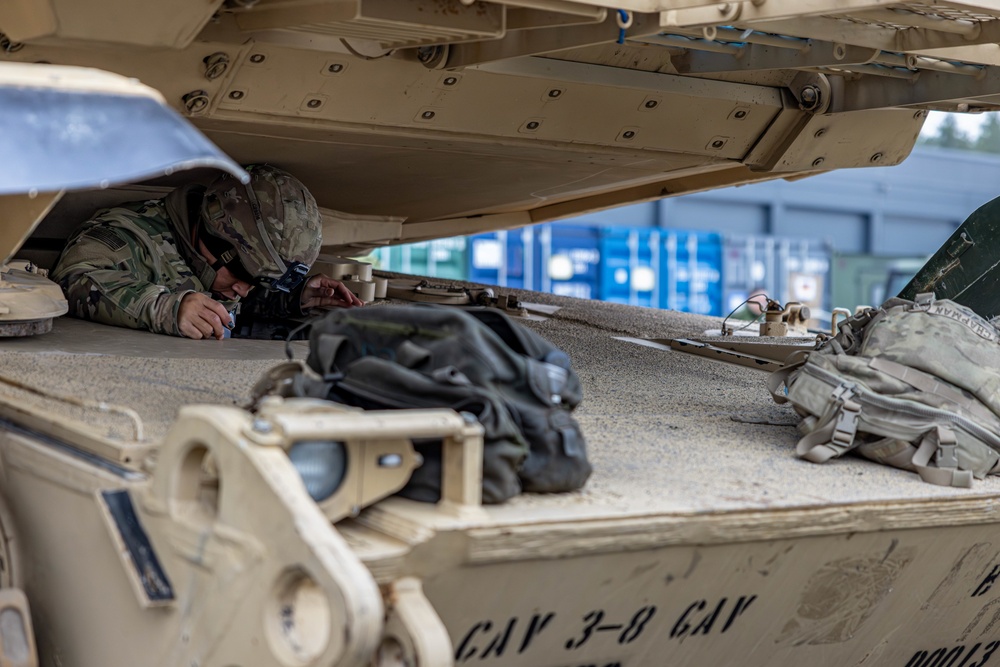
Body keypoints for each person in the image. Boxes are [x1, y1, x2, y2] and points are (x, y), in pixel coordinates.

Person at [52, 164, 363, 340]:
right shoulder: (129, 234)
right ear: (213, 240)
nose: (244, 289)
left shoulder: (231, 265)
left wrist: (292, 296)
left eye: (259, 281)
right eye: (243, 275)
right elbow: (73, 280)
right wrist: (167, 308)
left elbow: (238, 299)